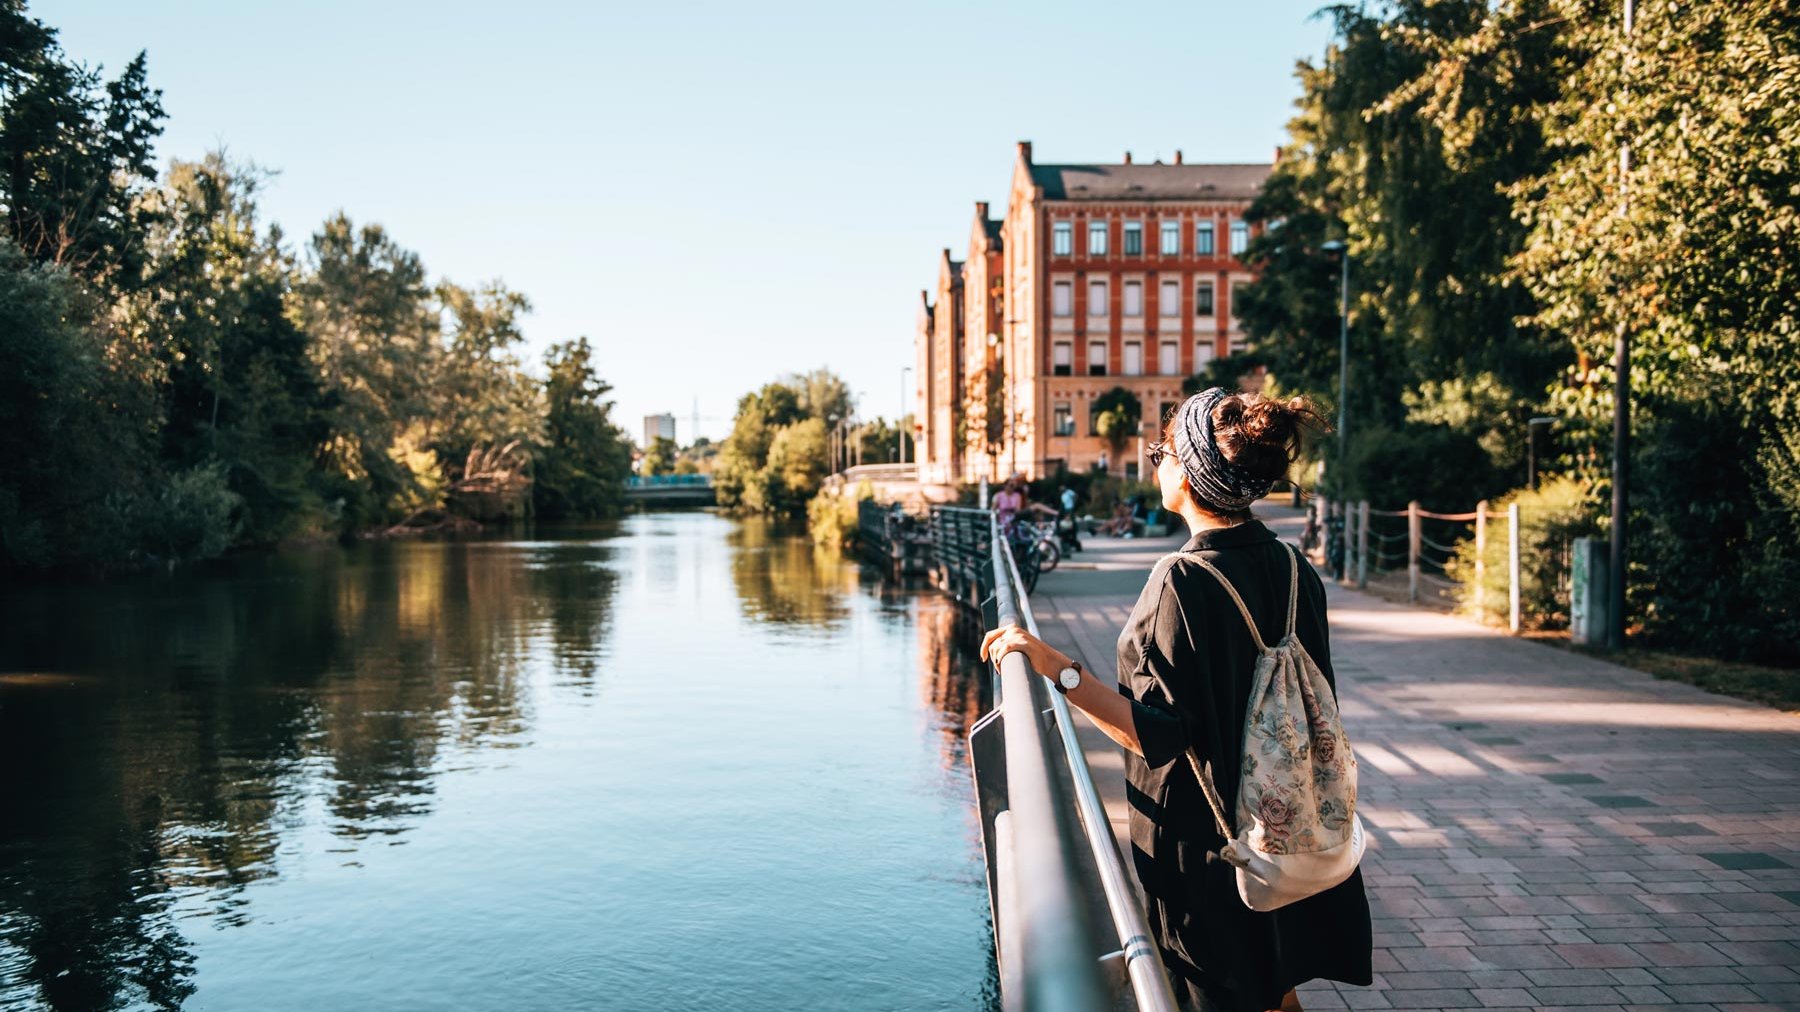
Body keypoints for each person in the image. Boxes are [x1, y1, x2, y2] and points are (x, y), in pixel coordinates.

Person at [981, 388, 1372, 1012]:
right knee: (1276, 988)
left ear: (1189, 474)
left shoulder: (1180, 581)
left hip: (1211, 846)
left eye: (1161, 450)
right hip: (1284, 823)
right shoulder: (1296, 567)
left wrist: (1056, 667)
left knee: (1222, 994)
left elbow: (1155, 735)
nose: (1152, 459)